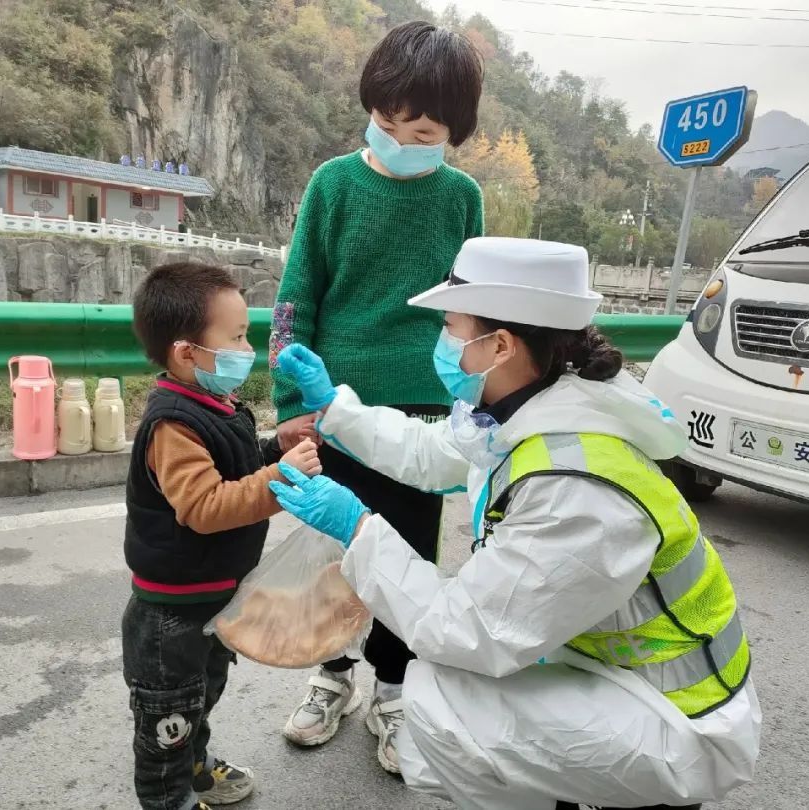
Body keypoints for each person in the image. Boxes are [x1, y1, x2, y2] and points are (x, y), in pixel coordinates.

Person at [268, 237, 762, 810]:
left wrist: (357, 529)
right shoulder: (539, 407)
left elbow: (465, 632)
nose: (444, 342)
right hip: (613, 673)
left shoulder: (576, 493)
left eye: (452, 326)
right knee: (466, 675)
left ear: (500, 344)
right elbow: (435, 452)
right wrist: (335, 409)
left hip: (677, 721)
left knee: (443, 695)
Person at [269, 20, 485, 772]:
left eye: (420, 128)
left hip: (424, 411)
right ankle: (333, 677)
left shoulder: (461, 198)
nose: (398, 136)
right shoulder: (333, 184)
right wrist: (285, 401)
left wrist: (475, 401)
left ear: (453, 131)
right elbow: (296, 300)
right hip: (333, 403)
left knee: (407, 558)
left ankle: (394, 691)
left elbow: (475, 310)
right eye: (385, 121)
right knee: (336, 551)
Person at [122, 262, 322, 810]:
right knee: (169, 715)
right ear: (187, 352)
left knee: (199, 697)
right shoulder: (173, 424)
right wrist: (282, 477)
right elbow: (206, 506)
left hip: (209, 600)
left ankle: (194, 764)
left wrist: (275, 448)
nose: (247, 346)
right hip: (171, 615)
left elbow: (234, 468)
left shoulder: (215, 406)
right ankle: (171, 795)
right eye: (235, 337)